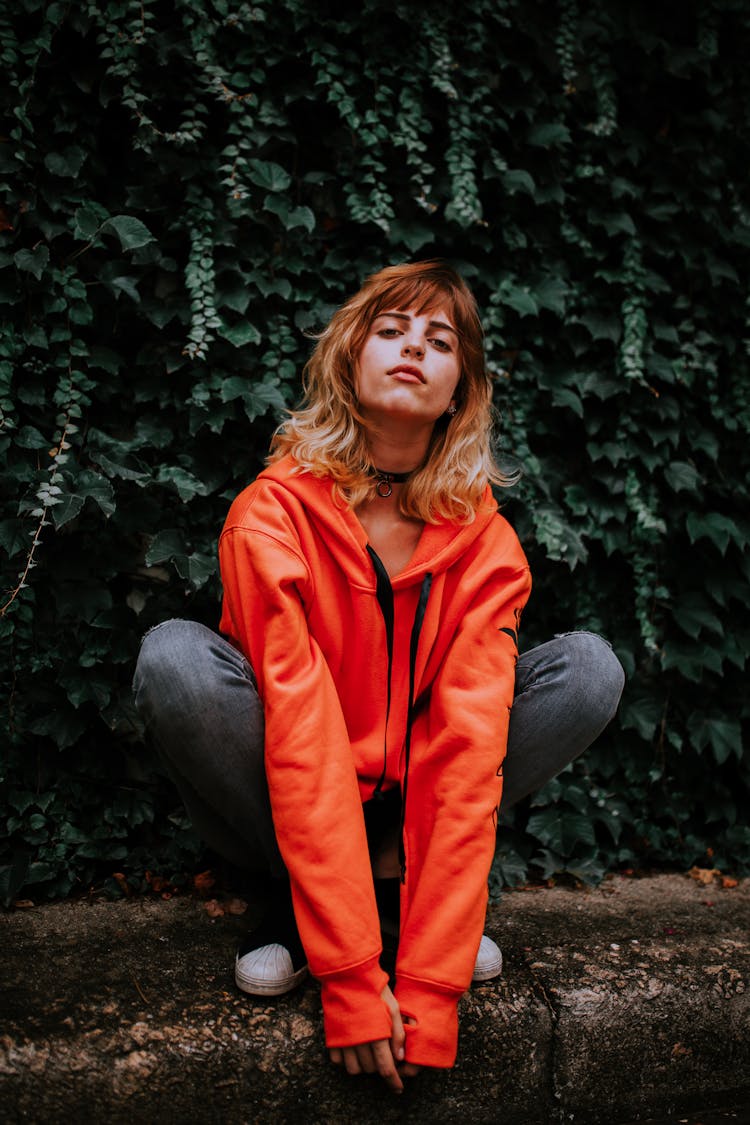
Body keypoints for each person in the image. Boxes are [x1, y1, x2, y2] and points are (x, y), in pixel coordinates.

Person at [133, 260, 624, 1094]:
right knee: (175, 658)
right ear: (349, 361)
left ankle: (417, 903)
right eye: (389, 330)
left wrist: (429, 990)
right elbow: (297, 720)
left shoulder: (484, 541)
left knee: (588, 669)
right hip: (289, 789)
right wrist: (358, 982)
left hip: (418, 797)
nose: (411, 350)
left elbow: (469, 752)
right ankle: (314, 907)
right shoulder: (273, 510)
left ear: (460, 386)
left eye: (438, 340)